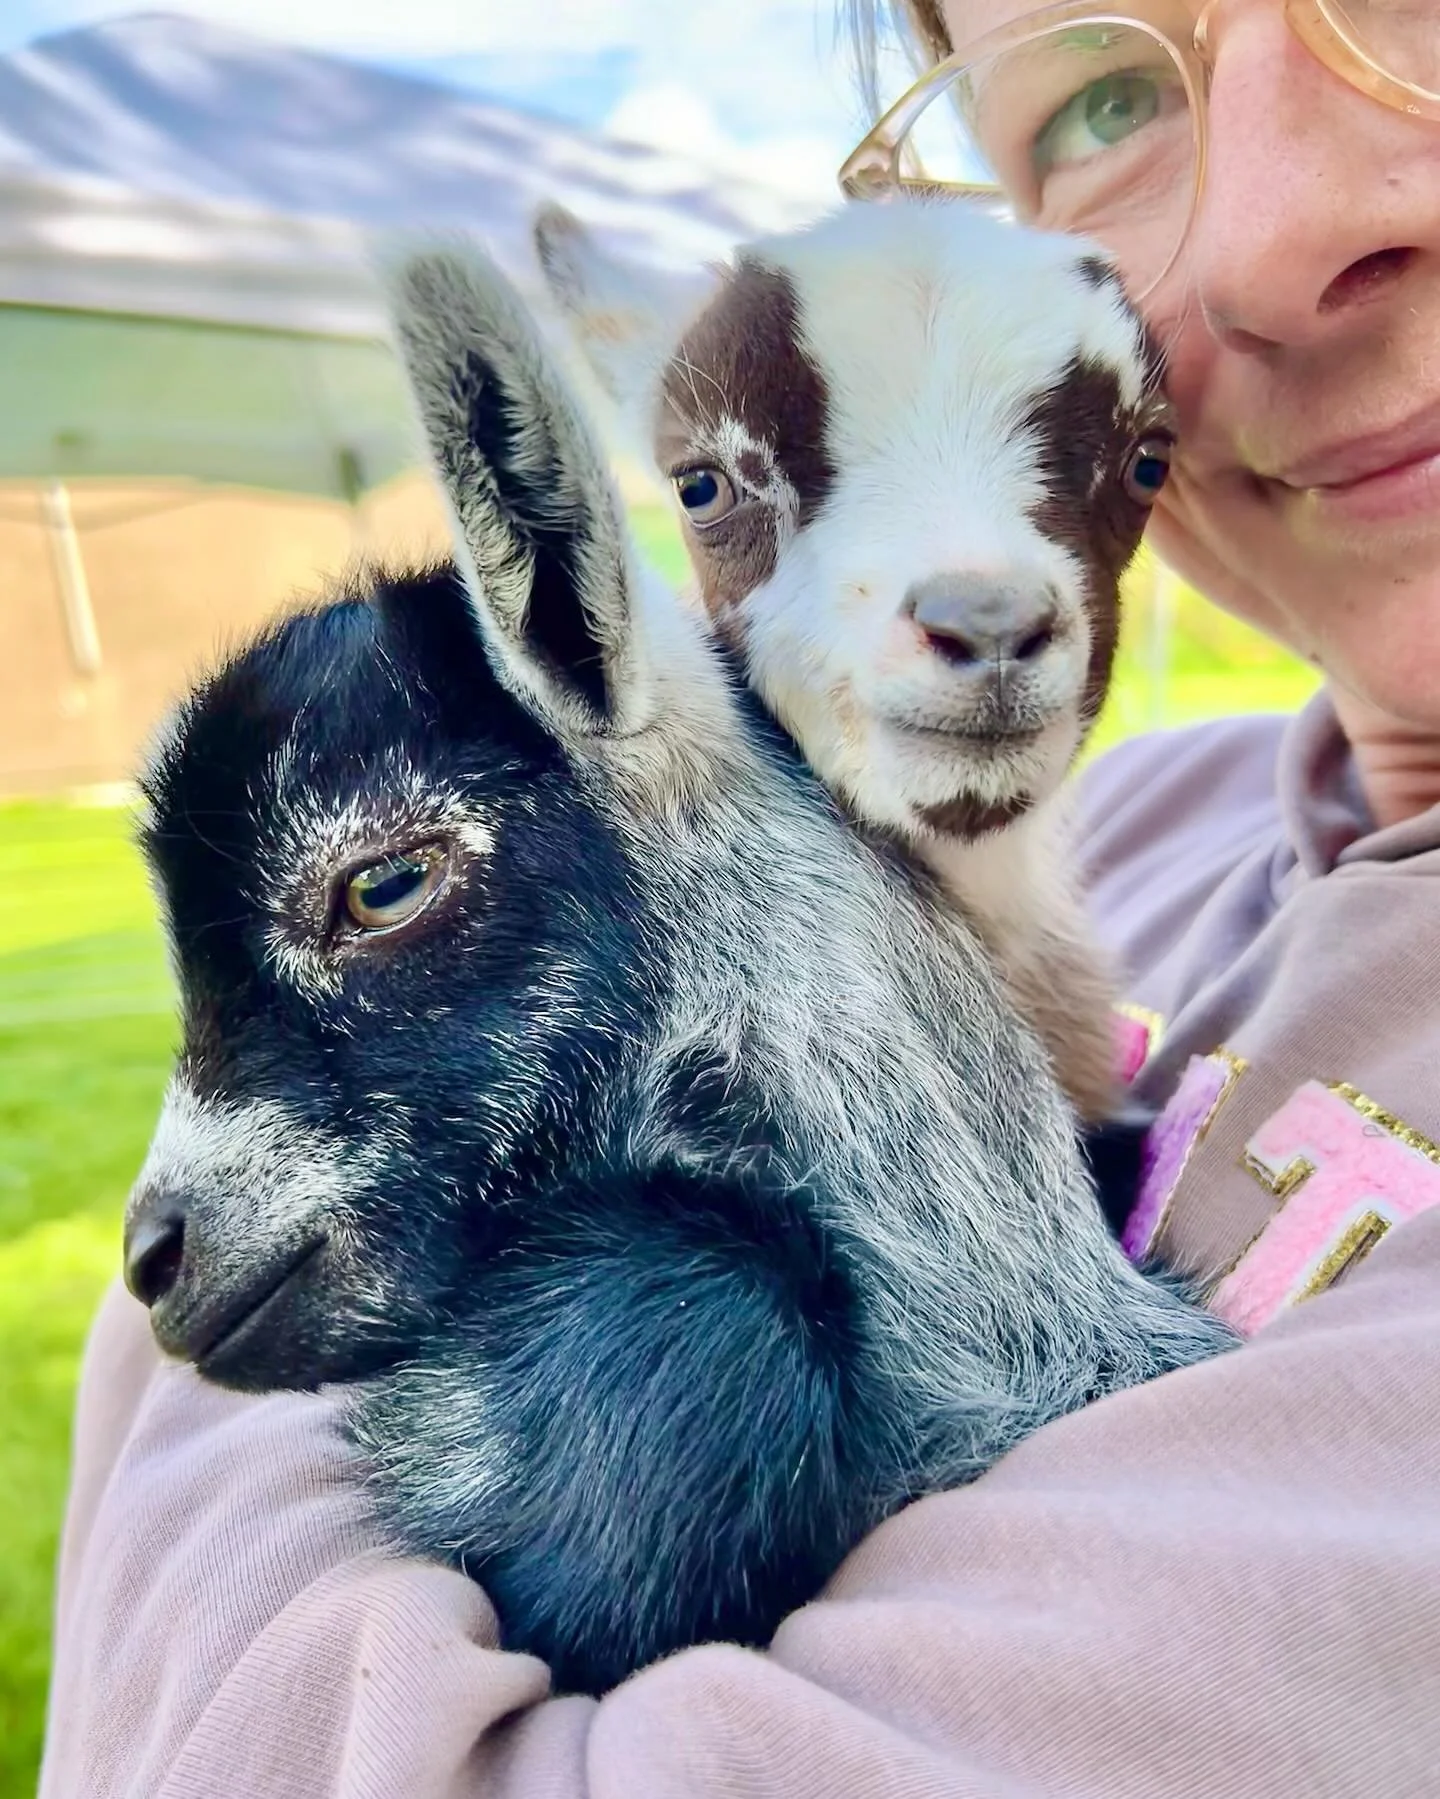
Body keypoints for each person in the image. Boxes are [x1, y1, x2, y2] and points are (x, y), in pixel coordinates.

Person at [38, 2, 1440, 1792]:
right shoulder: (1072, 819)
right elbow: (174, 1317)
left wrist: (251, 1438)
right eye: (1102, 99)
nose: (1273, 235)